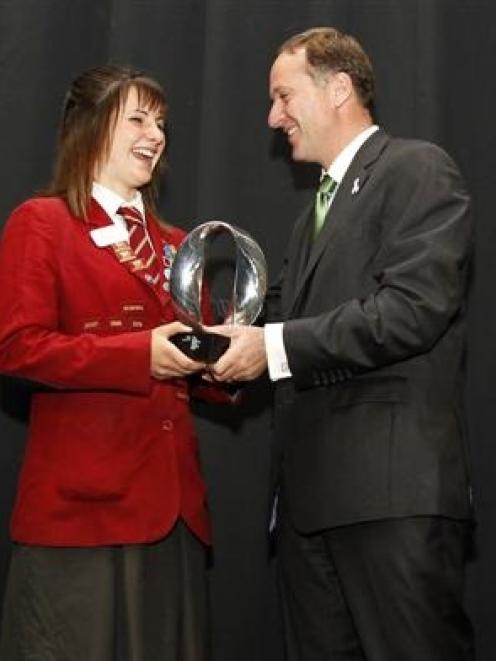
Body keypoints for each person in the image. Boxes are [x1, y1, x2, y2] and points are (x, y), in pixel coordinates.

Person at [209, 27, 475, 660]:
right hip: (306, 509)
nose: (273, 118)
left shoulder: (417, 169)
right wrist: (214, 345)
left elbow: (411, 310)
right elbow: (287, 324)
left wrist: (271, 347)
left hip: (389, 497)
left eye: (282, 96)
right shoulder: (309, 218)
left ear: (338, 88)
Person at [0, 65, 220, 660]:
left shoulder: (178, 245)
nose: (157, 135)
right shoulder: (42, 223)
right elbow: (18, 347)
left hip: (173, 512)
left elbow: (203, 364)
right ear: (91, 127)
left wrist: (226, 359)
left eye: (163, 123)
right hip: (83, 515)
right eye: (139, 119)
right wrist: (140, 355)